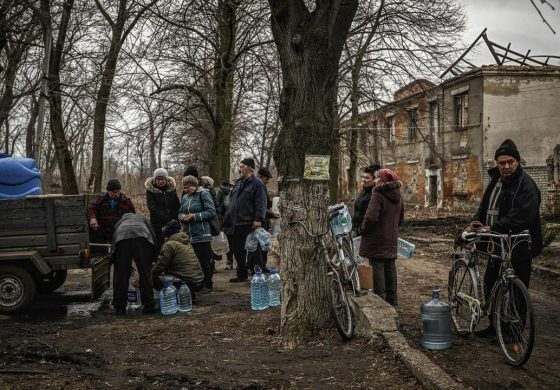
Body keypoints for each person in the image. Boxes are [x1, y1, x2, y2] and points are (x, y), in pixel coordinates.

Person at [468, 139, 542, 338]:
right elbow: (484, 207)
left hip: (518, 243)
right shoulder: (495, 181)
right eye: (502, 163)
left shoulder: (526, 185)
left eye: (510, 162)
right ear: (497, 164)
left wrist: (494, 227)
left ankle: (514, 332)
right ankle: (495, 326)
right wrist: (477, 222)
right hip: (496, 243)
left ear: (517, 162)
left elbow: (522, 216)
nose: (506, 166)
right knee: (491, 282)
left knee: (517, 290)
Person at [359, 168, 404, 306]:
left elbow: (371, 217)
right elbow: (401, 219)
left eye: (378, 178)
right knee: (390, 265)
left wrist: (364, 230)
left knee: (377, 266)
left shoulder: (378, 194)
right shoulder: (398, 196)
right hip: (391, 237)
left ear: (383, 180)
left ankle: (381, 300)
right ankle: (392, 298)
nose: (376, 180)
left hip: (376, 238)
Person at [223, 157, 267, 283]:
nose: (239, 169)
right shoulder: (238, 183)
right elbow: (231, 200)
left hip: (250, 223)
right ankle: (241, 274)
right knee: (237, 250)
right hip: (236, 223)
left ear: (249, 168)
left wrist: (258, 219)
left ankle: (257, 275)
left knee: (253, 250)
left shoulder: (257, 183)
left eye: (242, 167)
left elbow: (261, 203)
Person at [110, 213, 158, 315]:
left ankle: (119, 306)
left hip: (121, 239)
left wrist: (114, 258)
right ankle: (149, 304)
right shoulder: (143, 219)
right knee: (145, 272)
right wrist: (154, 255)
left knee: (121, 273)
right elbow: (153, 235)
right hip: (142, 238)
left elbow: (113, 239)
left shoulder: (120, 222)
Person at [178, 175, 217, 293]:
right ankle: (198, 283)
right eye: (184, 187)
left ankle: (208, 285)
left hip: (202, 234)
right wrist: (182, 217)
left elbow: (211, 211)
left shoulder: (204, 194)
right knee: (193, 261)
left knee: (203, 261)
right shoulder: (185, 197)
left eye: (188, 187)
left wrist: (195, 216)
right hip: (188, 235)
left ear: (195, 185)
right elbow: (180, 212)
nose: (186, 189)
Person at [152, 220, 204, 300]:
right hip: (199, 282)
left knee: (153, 277)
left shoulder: (169, 244)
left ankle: (176, 296)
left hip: (187, 284)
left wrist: (151, 272)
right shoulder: (186, 242)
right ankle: (189, 294)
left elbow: (161, 266)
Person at [87, 179, 135, 255]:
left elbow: (132, 216)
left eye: (118, 191)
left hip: (119, 231)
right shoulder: (102, 199)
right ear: (108, 191)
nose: (116, 194)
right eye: (114, 192)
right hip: (102, 230)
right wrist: (93, 218)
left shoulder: (126, 201)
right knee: (98, 252)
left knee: (120, 253)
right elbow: (92, 209)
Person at [145, 168, 181, 254]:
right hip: (158, 224)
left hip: (173, 223)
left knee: (174, 246)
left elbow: (177, 205)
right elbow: (152, 208)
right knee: (160, 248)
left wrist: (174, 219)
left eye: (162, 179)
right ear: (155, 180)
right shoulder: (151, 191)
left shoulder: (171, 189)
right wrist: (168, 219)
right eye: (158, 179)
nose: (160, 181)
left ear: (166, 179)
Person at [256, 167, 280, 272]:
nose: (266, 182)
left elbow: (266, 203)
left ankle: (263, 265)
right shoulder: (258, 186)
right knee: (260, 245)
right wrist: (272, 214)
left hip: (264, 220)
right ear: (261, 177)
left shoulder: (261, 187)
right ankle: (259, 267)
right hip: (259, 221)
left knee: (264, 244)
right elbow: (260, 206)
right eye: (266, 179)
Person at [353, 163, 381, 236]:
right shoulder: (363, 191)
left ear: (375, 179)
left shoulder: (375, 195)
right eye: (363, 177)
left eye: (367, 178)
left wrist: (360, 230)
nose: (363, 180)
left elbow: (372, 218)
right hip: (356, 229)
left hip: (366, 233)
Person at [216, 179, 235, 270]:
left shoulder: (237, 195)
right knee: (230, 244)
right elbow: (220, 207)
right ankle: (229, 262)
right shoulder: (225, 196)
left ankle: (240, 263)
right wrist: (221, 219)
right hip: (227, 223)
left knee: (238, 245)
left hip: (237, 222)